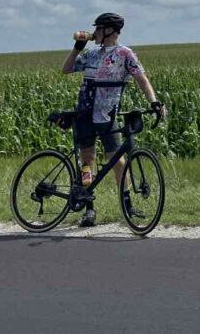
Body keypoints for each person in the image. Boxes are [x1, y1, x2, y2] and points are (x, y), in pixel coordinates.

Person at [61, 12, 166, 227]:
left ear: (111, 31)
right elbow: (66, 69)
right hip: (85, 113)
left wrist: (154, 102)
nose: (96, 32)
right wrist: (77, 48)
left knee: (118, 161)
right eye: (96, 29)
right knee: (87, 160)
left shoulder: (125, 54)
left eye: (99, 28)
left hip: (107, 115)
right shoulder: (91, 54)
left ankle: (127, 205)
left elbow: (142, 80)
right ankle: (88, 209)